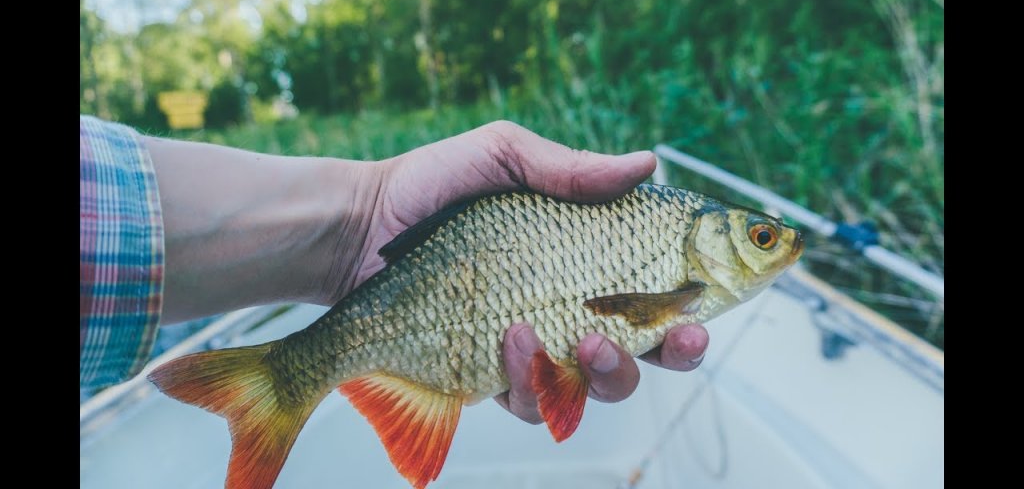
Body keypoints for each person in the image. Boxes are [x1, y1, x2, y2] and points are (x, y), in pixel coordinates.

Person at [79, 115, 708, 426]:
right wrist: (364, 214)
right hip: (459, 263)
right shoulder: (678, 278)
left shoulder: (666, 264)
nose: (774, 247)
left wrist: (363, 214)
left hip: (461, 272)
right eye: (761, 239)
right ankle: (283, 380)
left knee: (554, 368)